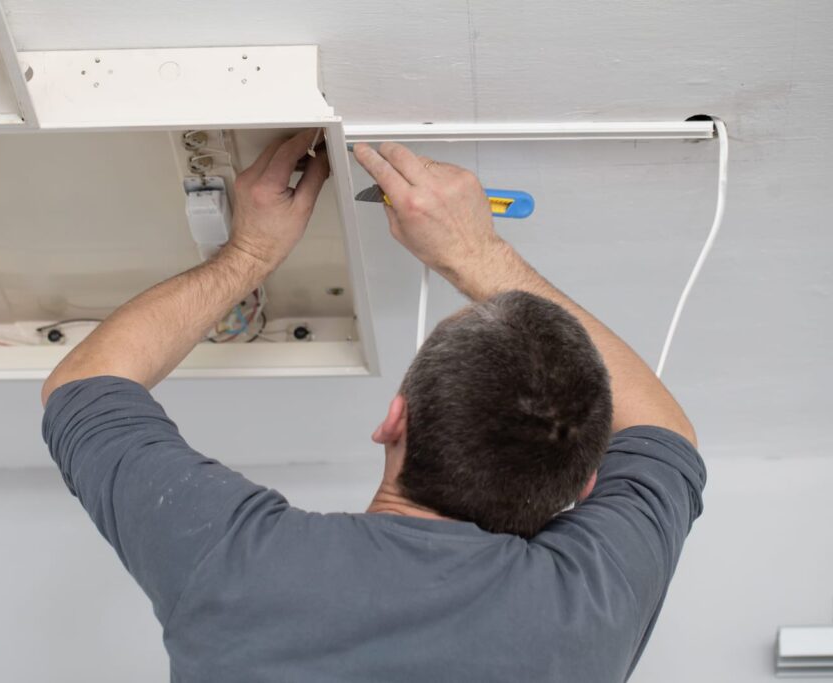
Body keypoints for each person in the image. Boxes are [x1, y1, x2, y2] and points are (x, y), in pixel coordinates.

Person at [41, 130, 705, 682]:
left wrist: (249, 252)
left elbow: (84, 384)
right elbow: (662, 430)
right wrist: (478, 253)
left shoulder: (235, 564)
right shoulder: (587, 616)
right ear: (585, 485)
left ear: (395, 422)